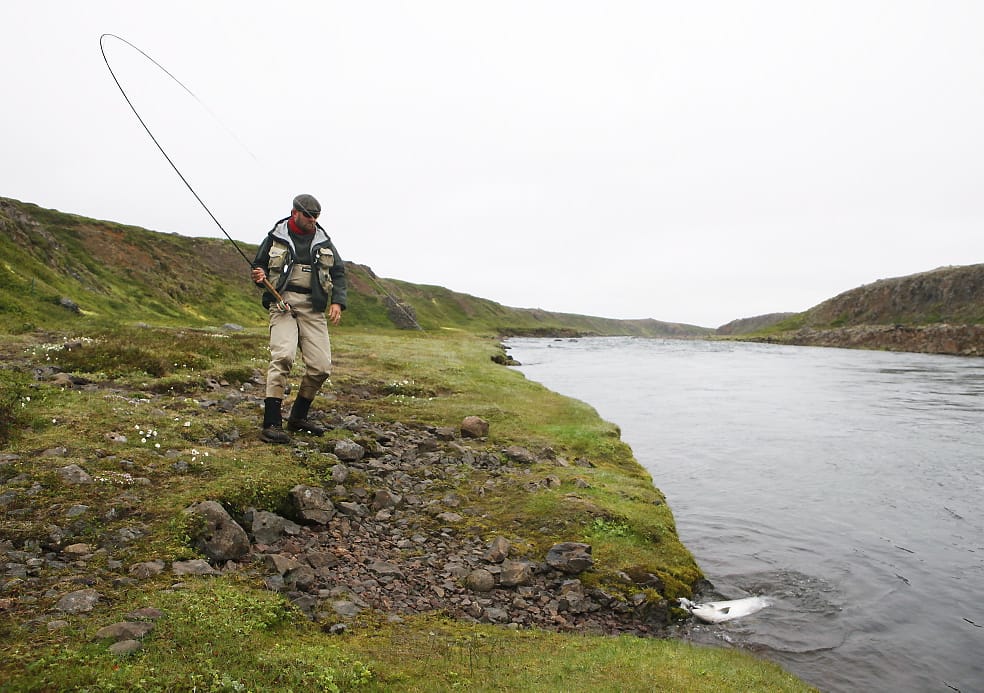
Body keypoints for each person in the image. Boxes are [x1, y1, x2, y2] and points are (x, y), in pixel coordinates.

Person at [250, 194, 347, 444]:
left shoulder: (324, 240)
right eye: (308, 215)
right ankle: (271, 423)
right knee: (282, 357)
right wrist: (258, 275)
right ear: (295, 213)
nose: (313, 220)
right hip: (281, 303)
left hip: (313, 307)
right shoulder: (275, 236)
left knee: (321, 367)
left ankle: (298, 418)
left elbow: (339, 272)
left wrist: (337, 301)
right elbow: (258, 267)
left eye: (316, 216)